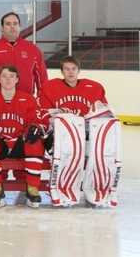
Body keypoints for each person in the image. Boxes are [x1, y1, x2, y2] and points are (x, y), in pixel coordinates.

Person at [38, 56, 119, 207]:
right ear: (62, 71)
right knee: (63, 152)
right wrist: (54, 116)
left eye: (73, 69)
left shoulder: (94, 87)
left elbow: (104, 111)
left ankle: (98, 187)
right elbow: (42, 113)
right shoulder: (50, 87)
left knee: (103, 149)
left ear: (78, 70)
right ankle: (61, 186)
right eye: (67, 69)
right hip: (61, 134)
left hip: (87, 133)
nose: (70, 72)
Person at [0, 65, 46, 208]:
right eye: (4, 76)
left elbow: (38, 121)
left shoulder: (28, 99)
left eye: (11, 76)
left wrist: (35, 127)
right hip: (0, 142)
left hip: (19, 143)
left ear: (17, 80)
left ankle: (32, 187)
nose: (8, 79)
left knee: (35, 142)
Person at [0, 12, 47, 97]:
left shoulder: (33, 50)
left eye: (15, 23)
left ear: (19, 27)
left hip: (26, 102)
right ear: (2, 28)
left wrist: (43, 99)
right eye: (8, 24)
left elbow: (42, 78)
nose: (12, 26)